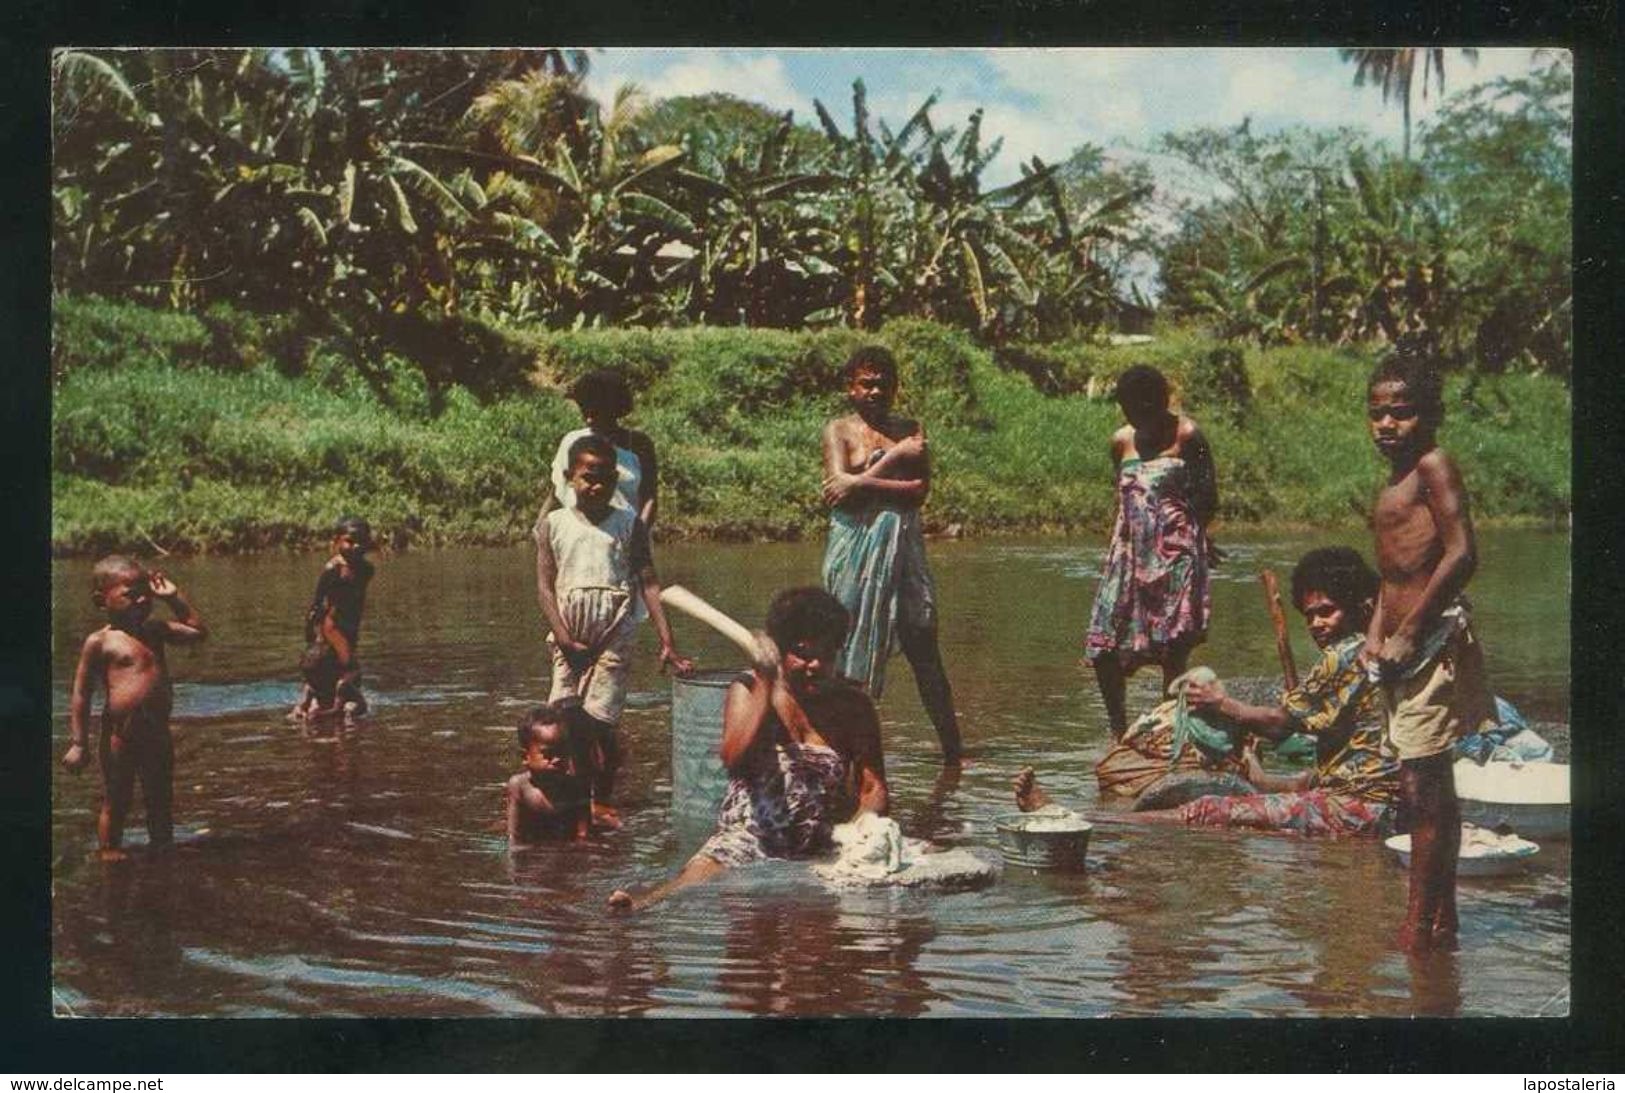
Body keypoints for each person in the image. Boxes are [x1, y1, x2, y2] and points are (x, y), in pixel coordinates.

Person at [608, 587, 890, 911]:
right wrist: (767, 684)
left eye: (825, 655)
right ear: (779, 651)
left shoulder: (854, 706)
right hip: (751, 836)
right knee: (693, 878)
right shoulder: (748, 689)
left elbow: (875, 789)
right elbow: (733, 758)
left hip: (822, 839)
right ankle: (645, 901)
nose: (814, 665)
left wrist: (859, 833)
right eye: (802, 654)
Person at [1364, 348, 1494, 953]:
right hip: (1395, 653)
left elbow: (1461, 553)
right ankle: (1442, 921)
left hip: (1430, 645)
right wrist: (1375, 631)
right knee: (1425, 785)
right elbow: (1392, 572)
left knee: (1423, 790)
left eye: (1403, 413)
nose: (1388, 425)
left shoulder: (1435, 467)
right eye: (1378, 414)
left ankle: (1418, 926)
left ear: (1430, 416)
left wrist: (1412, 629)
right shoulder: (1393, 482)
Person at [1171, 546, 1400, 834]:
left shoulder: (1343, 655)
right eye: (1309, 616)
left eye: (1327, 612)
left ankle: (1109, 824)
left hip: (1362, 807)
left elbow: (1278, 725)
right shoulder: (1388, 646)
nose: (1316, 624)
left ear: (1356, 606)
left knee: (1205, 810)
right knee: (1301, 782)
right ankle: (1260, 777)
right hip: (1392, 801)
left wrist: (1220, 703)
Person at [535, 434, 693, 829]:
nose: (597, 486)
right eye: (589, 477)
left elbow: (649, 582)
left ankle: (600, 798)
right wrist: (564, 637)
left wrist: (667, 641)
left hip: (614, 629)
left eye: (606, 478)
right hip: (568, 630)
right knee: (561, 717)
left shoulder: (629, 525)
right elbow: (544, 587)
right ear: (570, 477)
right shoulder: (552, 525)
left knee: (602, 722)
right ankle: (565, 793)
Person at [820, 345, 964, 765]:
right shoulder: (839, 431)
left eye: (884, 383)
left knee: (923, 640)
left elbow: (918, 492)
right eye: (867, 383)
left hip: (904, 544)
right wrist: (893, 461)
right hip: (853, 547)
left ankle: (953, 752)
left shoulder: (908, 428)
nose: (876, 391)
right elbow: (835, 493)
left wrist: (862, 480)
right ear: (851, 388)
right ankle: (840, 750)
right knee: (844, 646)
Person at [1084, 364, 1219, 739]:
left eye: (1146, 409)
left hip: (1176, 554)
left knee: (1172, 648)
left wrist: (1198, 538)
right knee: (1104, 647)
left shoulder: (1188, 435)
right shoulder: (1120, 441)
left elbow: (1209, 495)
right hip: (1128, 554)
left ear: (1161, 403)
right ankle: (1118, 733)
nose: (1139, 419)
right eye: (1131, 410)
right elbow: (1125, 495)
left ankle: (1167, 732)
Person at [63, 557, 207, 860]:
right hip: (119, 737)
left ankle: (162, 847)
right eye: (131, 593)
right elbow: (80, 693)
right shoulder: (100, 642)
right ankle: (110, 852)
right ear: (101, 600)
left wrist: (174, 598)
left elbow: (198, 632)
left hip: (157, 733)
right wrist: (79, 743)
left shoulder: (156, 630)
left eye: (147, 592)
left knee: (160, 797)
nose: (142, 599)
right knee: (117, 798)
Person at [540, 368, 659, 528]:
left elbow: (649, 498)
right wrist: (539, 528)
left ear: (615, 410)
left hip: (626, 538)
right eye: (585, 411)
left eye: (597, 412)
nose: (589, 419)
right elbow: (556, 493)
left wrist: (639, 537)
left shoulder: (639, 445)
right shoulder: (573, 441)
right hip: (577, 536)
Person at [291, 516, 375, 722]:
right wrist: (314, 636)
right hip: (331, 629)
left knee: (338, 672)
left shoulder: (365, 569)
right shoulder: (333, 571)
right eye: (349, 541)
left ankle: (323, 706)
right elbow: (318, 604)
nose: (355, 546)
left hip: (349, 628)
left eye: (361, 541)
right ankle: (320, 706)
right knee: (349, 670)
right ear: (336, 542)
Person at [505, 703, 593, 845]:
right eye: (549, 754)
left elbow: (583, 836)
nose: (557, 759)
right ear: (524, 757)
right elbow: (514, 836)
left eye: (562, 752)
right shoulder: (519, 786)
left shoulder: (577, 787)